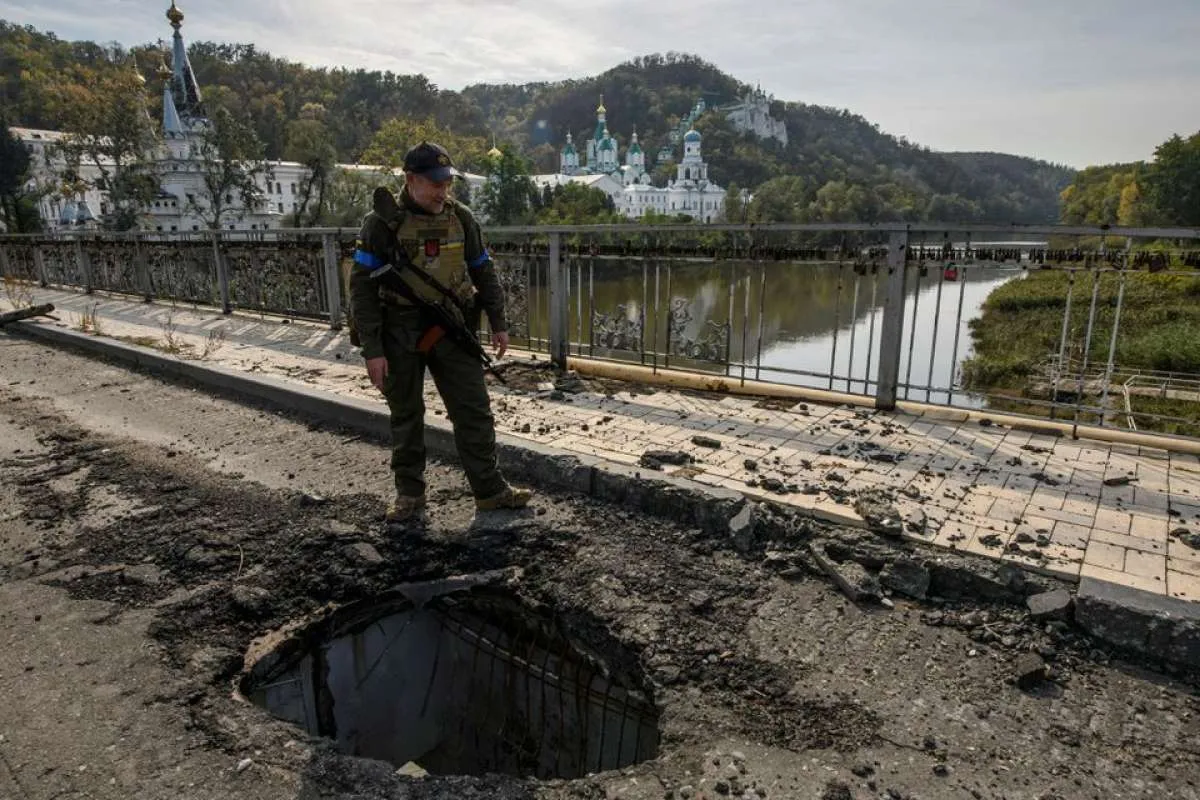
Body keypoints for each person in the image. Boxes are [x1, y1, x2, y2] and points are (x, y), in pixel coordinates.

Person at [350, 141, 532, 522]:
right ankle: (410, 495)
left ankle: (490, 491)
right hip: (399, 329)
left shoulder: (460, 217)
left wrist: (498, 322)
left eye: (447, 182)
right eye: (435, 183)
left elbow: (483, 269)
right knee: (406, 413)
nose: (443, 190)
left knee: (474, 409)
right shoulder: (380, 224)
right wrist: (372, 350)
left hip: (452, 325)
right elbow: (362, 288)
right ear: (410, 179)